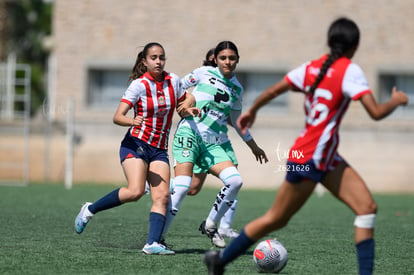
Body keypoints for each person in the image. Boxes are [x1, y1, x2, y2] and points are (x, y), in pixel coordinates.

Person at [204, 17, 408, 275]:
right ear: (355, 45)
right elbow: (376, 112)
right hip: (311, 158)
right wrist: (398, 100)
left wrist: (253, 110)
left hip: (324, 156)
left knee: (367, 208)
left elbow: (274, 90)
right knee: (276, 218)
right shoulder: (349, 70)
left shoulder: (312, 67)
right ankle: (220, 261)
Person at [74, 42, 199, 255]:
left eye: (161, 57)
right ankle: (90, 209)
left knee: (162, 197)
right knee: (135, 191)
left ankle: (152, 244)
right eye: (154, 58)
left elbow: (185, 100)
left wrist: (189, 108)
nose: (158, 61)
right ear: (145, 61)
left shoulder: (174, 81)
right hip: (136, 144)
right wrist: (132, 122)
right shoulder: (139, 85)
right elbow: (117, 117)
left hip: (159, 149)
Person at [162, 41, 268, 249]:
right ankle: (159, 238)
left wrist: (253, 146)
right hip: (190, 134)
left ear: (237, 59)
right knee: (184, 188)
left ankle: (210, 225)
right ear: (216, 59)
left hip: (213, 144)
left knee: (235, 182)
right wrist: (188, 99)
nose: (228, 62)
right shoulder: (203, 73)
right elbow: (178, 88)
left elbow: (237, 122)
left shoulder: (237, 88)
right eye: (223, 58)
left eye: (232, 58)